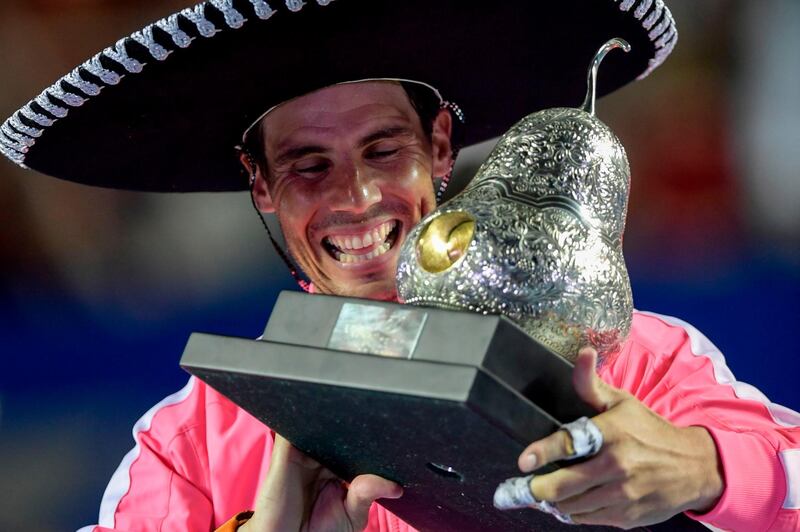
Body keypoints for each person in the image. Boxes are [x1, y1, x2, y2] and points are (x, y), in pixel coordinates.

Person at [0, 1, 797, 531]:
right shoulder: (190, 437)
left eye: (384, 149)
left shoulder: (636, 361)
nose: (357, 197)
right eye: (308, 167)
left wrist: (704, 467)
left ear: (441, 147)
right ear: (262, 188)